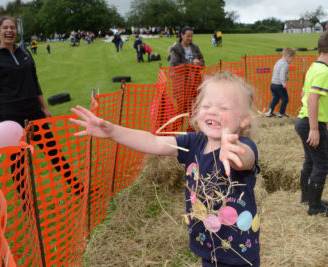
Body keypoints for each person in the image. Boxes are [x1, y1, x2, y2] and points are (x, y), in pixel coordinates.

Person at [70, 72, 260, 266]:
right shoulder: (193, 142)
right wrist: (113, 132)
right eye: (207, 105)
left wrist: (233, 151)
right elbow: (153, 141)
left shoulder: (243, 145)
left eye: (223, 108)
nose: (212, 111)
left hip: (239, 253)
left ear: (244, 119)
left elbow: (245, 159)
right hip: (209, 248)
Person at [0, 16, 80, 203]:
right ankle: (27, 204)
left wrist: (44, 107)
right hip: (11, 118)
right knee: (18, 164)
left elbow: (35, 82)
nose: (9, 31)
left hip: (34, 112)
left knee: (54, 152)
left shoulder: (25, 53)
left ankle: (77, 187)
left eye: (12, 27)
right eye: (5, 28)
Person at [294, 29, 328, 217]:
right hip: (311, 123)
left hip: (303, 120)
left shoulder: (313, 67)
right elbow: (311, 99)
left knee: (311, 161)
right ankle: (315, 206)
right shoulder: (325, 72)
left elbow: (303, 94)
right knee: (323, 164)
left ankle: (308, 198)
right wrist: (315, 128)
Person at [266, 48, 296, 118]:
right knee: (285, 99)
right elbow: (282, 74)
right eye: (292, 59)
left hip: (273, 84)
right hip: (279, 85)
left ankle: (269, 112)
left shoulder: (278, 61)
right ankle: (281, 114)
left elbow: (276, 72)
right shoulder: (285, 64)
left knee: (275, 99)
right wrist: (283, 82)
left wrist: (286, 77)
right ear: (288, 56)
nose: (292, 61)